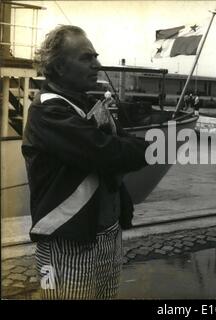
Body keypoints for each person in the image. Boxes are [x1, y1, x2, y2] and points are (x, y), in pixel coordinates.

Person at [22, 25, 149, 299]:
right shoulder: (47, 110)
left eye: (95, 56)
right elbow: (106, 151)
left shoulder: (82, 105)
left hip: (104, 235)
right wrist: (150, 149)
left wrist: (130, 146)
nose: (97, 65)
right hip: (64, 242)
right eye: (86, 58)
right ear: (58, 67)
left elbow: (118, 145)